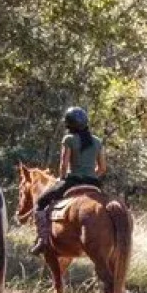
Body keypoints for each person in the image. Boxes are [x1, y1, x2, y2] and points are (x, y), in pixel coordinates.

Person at [32, 106, 105, 255]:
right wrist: (91, 175)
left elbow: (63, 165)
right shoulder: (97, 141)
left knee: (40, 203)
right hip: (93, 183)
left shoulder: (69, 139)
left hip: (73, 181)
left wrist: (62, 178)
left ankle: (42, 240)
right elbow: (103, 168)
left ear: (68, 124)